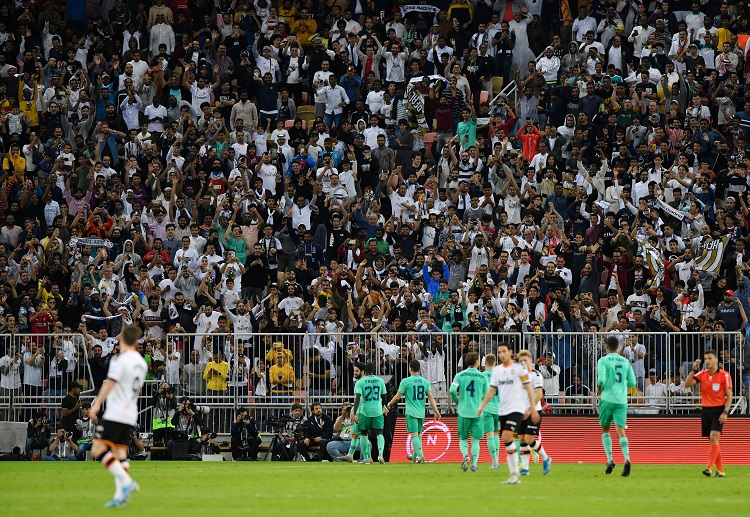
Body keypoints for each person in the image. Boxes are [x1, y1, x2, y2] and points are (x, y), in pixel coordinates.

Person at [89, 325, 148, 508]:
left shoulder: (120, 359)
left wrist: (97, 404)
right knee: (120, 453)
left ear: (123, 340)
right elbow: (137, 390)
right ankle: (119, 495)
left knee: (98, 450)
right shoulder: (141, 362)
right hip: (130, 412)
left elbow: (110, 383)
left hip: (116, 411)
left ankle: (127, 482)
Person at [478, 342, 539, 485]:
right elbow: (491, 391)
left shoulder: (518, 369)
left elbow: (529, 388)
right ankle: (514, 474)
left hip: (516, 409)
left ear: (510, 352)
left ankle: (516, 472)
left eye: (504, 351)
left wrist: (532, 408)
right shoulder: (497, 371)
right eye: (499, 352)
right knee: (507, 440)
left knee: (507, 436)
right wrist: (482, 406)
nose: (502, 354)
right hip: (502, 410)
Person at [684, 350, 733, 478]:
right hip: (705, 410)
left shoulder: (725, 375)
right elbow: (687, 384)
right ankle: (721, 471)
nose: (707, 361)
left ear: (716, 360)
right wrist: (693, 370)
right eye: (706, 359)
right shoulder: (702, 374)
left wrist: (725, 413)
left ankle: (709, 468)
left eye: (710, 358)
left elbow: (729, 396)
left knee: (713, 438)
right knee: (713, 441)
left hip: (718, 410)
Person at [387, 360, 441, 464]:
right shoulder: (425, 382)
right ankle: (414, 456)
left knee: (414, 435)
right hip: (421, 412)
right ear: (419, 369)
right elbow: (431, 397)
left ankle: (421, 456)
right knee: (419, 435)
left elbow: (398, 397)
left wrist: (389, 404)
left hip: (411, 412)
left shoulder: (406, 381)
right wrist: (436, 411)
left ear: (410, 368)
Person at [598, 336, 636, 477]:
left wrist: (600, 388)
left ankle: (610, 460)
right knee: (620, 430)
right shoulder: (625, 361)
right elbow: (632, 382)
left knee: (605, 429)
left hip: (607, 398)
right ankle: (627, 459)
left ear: (607, 347)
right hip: (621, 400)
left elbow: (601, 380)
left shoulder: (603, 360)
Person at [449, 351, 487, 472]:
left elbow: (452, 390)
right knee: (475, 440)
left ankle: (465, 455)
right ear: (477, 362)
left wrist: (457, 400)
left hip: (463, 410)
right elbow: (486, 394)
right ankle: (474, 464)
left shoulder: (460, 375)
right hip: (478, 411)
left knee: (463, 438)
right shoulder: (483, 376)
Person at [516, 350, 552, 475]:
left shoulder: (536, 375)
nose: (523, 363)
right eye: (520, 361)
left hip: (534, 410)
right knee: (521, 439)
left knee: (529, 438)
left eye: (525, 360)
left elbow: (539, 394)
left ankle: (546, 458)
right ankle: (525, 468)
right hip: (521, 410)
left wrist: (530, 409)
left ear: (530, 360)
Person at [351, 362, 388, 464]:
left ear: (365, 371)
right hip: (377, 411)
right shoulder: (380, 380)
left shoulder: (360, 382)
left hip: (365, 411)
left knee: (363, 433)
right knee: (379, 433)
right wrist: (381, 406)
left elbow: (357, 398)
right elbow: (384, 397)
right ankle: (380, 453)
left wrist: (354, 412)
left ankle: (367, 458)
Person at [481, 354, 501, 469]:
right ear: (495, 363)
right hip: (499, 408)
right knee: (496, 433)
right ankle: (496, 459)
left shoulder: (482, 376)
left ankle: (495, 462)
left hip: (487, 408)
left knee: (490, 435)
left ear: (485, 364)